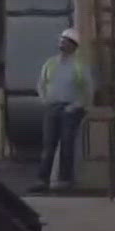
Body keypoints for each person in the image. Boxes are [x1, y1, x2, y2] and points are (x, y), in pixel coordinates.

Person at [33, 28, 93, 193]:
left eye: (65, 41)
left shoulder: (79, 66)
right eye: (61, 40)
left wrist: (74, 107)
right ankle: (42, 180)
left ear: (73, 46)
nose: (61, 43)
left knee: (67, 145)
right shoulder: (50, 63)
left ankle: (65, 181)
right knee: (48, 145)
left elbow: (88, 90)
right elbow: (41, 84)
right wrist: (45, 100)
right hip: (52, 107)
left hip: (71, 110)